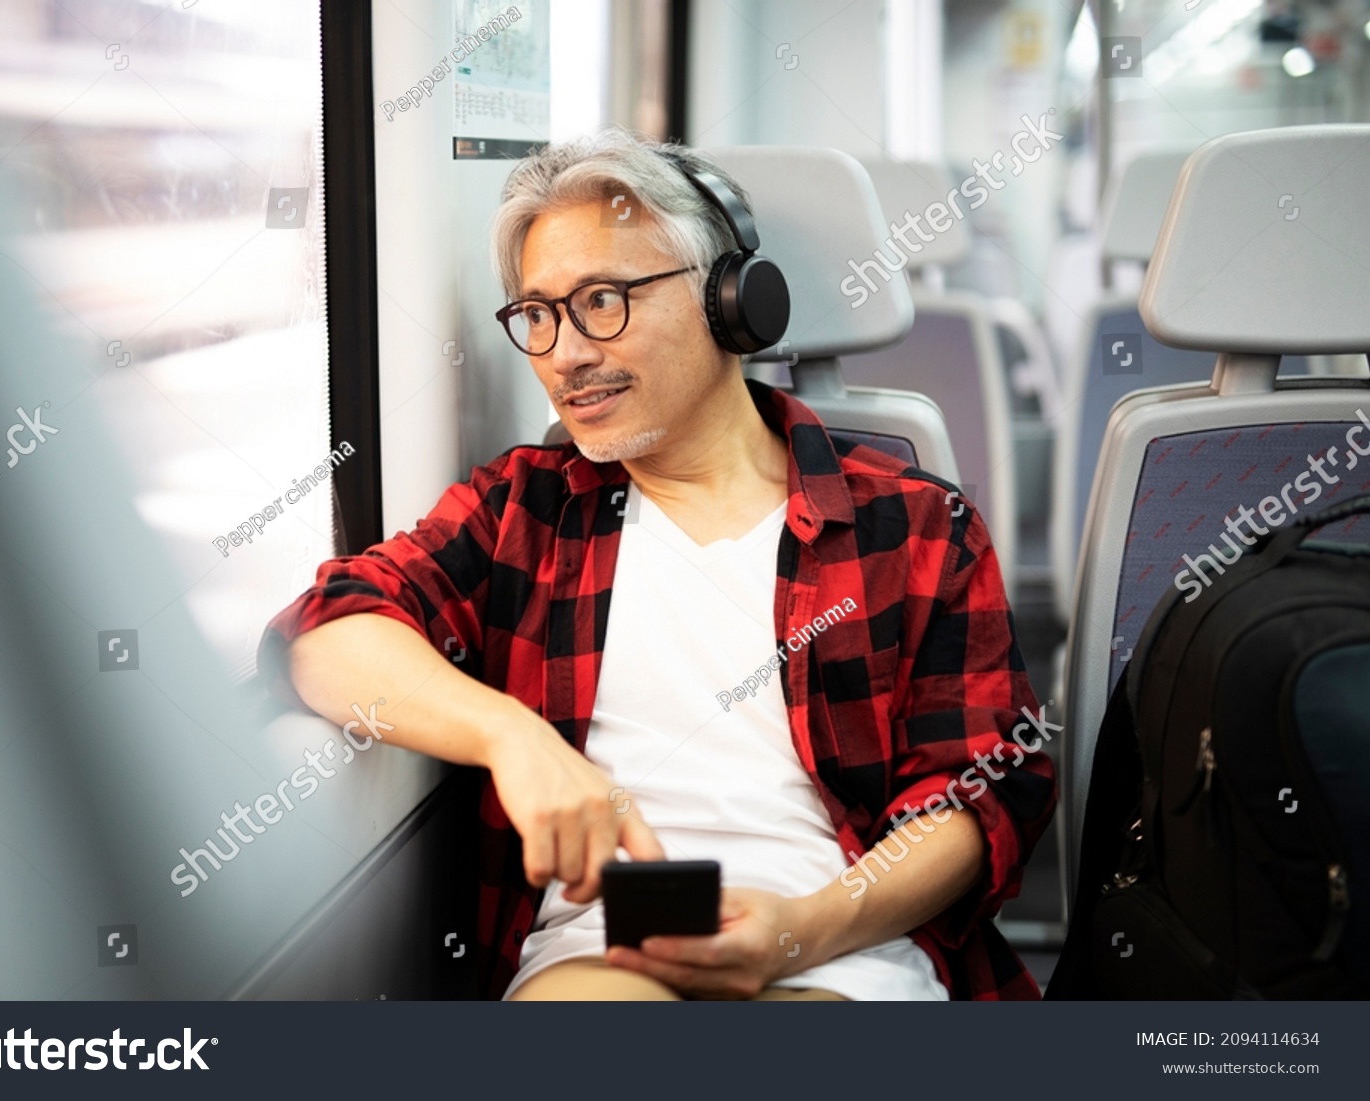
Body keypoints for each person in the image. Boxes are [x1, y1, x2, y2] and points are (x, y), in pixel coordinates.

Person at [259, 129, 1056, 1001]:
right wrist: (512, 738)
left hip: (844, 942)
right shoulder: (527, 511)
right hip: (601, 951)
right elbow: (325, 629)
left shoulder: (910, 521)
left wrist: (802, 931)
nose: (565, 354)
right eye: (538, 314)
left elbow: (980, 792)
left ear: (730, 301)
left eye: (602, 299)